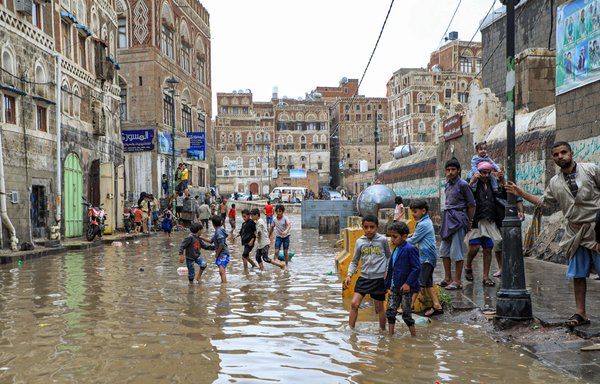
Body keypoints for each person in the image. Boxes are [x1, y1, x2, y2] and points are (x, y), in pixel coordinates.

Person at [506, 141, 600, 327]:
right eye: (556, 155)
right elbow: (544, 202)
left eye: (563, 153)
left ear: (571, 153)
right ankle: (580, 313)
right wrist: (521, 193)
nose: (560, 157)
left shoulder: (590, 170)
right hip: (575, 232)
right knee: (578, 275)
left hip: (597, 228)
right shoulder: (555, 182)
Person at [344, 215, 391, 330]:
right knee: (354, 304)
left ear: (377, 227)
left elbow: (389, 257)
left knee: (379, 307)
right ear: (362, 227)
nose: (369, 230)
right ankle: (350, 331)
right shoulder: (360, 242)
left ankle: (382, 331)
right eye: (366, 227)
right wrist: (349, 275)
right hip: (364, 278)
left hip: (379, 279)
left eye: (372, 227)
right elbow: (354, 261)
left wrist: (387, 272)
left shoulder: (383, 240)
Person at [440, 157, 476, 291]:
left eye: (453, 170)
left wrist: (469, 220)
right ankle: (447, 278)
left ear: (458, 170)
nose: (450, 172)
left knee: (457, 251)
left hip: (459, 218)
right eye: (448, 170)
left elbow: (471, 204)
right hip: (447, 218)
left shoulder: (463, 184)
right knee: (444, 250)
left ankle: (458, 280)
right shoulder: (447, 184)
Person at [464, 161, 502, 287]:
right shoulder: (474, 183)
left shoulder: (492, 184)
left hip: (490, 219)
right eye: (483, 172)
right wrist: (472, 182)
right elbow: (465, 195)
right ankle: (468, 265)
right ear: (479, 172)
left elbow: (501, 195)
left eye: (488, 173)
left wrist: (502, 180)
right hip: (476, 220)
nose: (486, 175)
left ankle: (485, 277)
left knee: (488, 248)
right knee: (474, 247)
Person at [407, 199, 443, 317]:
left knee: (419, 283)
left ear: (423, 211)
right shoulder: (425, 222)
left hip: (426, 258)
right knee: (427, 284)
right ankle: (437, 306)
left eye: (415, 211)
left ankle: (409, 307)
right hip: (428, 257)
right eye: (412, 211)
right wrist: (412, 234)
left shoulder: (423, 224)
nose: (413, 214)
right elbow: (417, 234)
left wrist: (400, 242)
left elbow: (413, 240)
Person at [385, 221, 421, 336]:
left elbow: (416, 268)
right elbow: (391, 268)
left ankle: (414, 337)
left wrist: (408, 283)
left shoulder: (410, 249)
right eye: (391, 236)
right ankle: (390, 336)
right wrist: (387, 285)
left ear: (404, 237)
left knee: (406, 315)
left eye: (394, 237)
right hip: (395, 287)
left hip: (405, 288)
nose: (392, 239)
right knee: (390, 312)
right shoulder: (396, 249)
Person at [492, 165, 524, 278]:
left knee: (511, 244)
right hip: (496, 219)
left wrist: (521, 211)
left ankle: (513, 267)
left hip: (510, 216)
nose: (498, 172)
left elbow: (518, 198)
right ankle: (501, 268)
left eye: (500, 170)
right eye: (495, 171)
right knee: (498, 245)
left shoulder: (509, 184)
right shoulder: (491, 184)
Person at [269, 204, 292, 269]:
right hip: (278, 237)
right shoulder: (274, 220)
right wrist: (268, 236)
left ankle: (286, 266)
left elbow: (289, 225)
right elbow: (271, 228)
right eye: (277, 211)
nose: (278, 213)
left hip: (286, 237)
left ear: (282, 212)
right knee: (276, 251)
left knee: (285, 252)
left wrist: (286, 231)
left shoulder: (285, 218)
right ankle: (274, 264)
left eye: (280, 211)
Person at [211, 215, 231, 284]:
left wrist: (216, 254)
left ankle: (224, 287)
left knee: (221, 271)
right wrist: (201, 237)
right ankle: (223, 283)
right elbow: (211, 240)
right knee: (221, 271)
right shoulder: (219, 231)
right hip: (221, 254)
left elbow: (221, 244)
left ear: (213, 224)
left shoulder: (218, 232)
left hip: (223, 253)